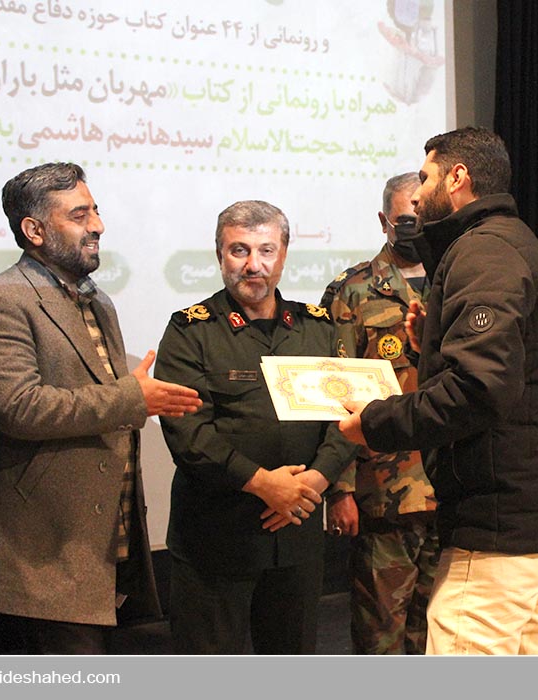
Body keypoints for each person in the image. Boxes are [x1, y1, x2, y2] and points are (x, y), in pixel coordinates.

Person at [338, 127, 538, 655]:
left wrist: (376, 422)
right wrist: (433, 344)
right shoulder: (514, 242)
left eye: (426, 177)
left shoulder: (483, 252)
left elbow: (479, 389)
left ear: (458, 178)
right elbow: (524, 368)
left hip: (503, 530)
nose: (418, 194)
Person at [0, 162, 202, 654]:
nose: (98, 226)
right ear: (34, 231)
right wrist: (134, 398)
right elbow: (19, 407)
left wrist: (134, 399)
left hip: (104, 548)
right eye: (79, 215)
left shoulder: (98, 301)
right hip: (40, 560)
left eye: (96, 211)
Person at [154, 200, 357, 655]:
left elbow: (346, 419)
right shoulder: (190, 331)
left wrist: (314, 481)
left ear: (283, 254)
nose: (253, 264)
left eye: (266, 250)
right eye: (239, 250)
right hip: (216, 540)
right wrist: (265, 484)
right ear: (219, 255)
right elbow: (187, 434)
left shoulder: (318, 327)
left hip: (297, 534)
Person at [319, 173, 440, 654]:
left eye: (422, 218)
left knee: (440, 639)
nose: (415, 229)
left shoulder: (455, 281)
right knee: (380, 642)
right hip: (383, 497)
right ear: (384, 220)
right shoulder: (353, 291)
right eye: (405, 219)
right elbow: (336, 394)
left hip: (450, 489)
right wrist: (340, 489)